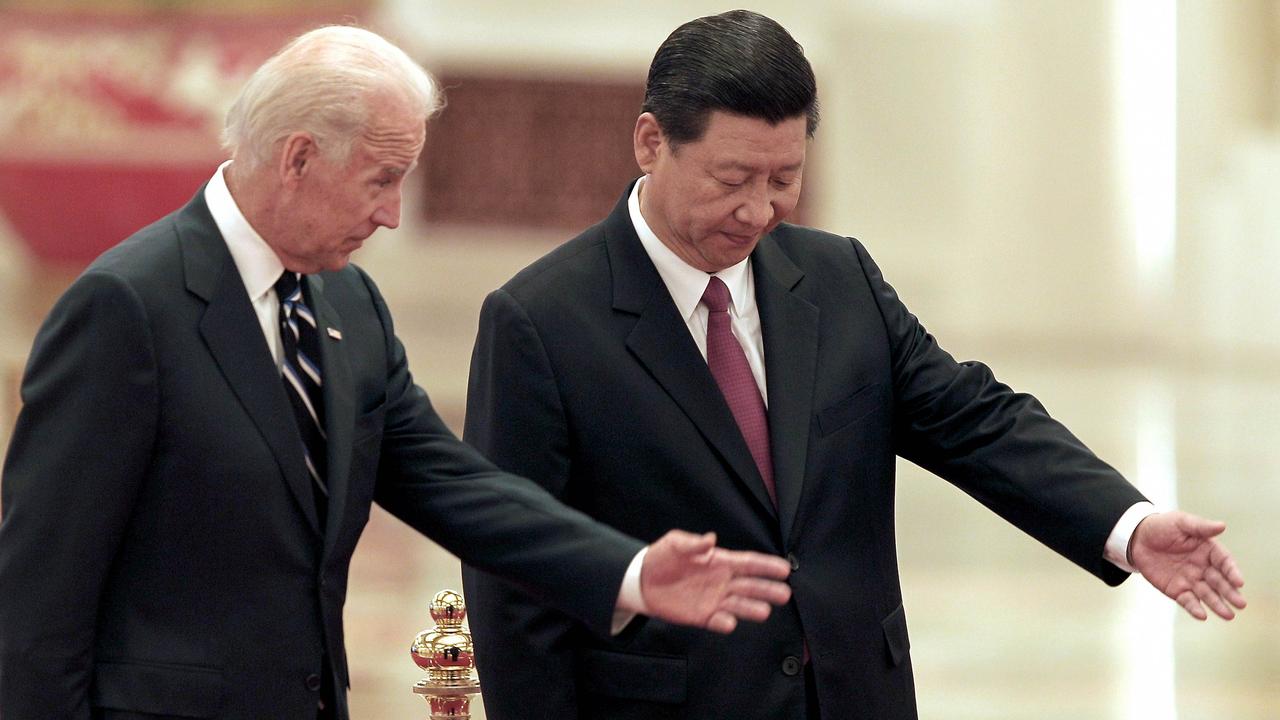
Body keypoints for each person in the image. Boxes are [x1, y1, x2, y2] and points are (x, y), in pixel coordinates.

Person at [460, 10, 1247, 720]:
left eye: (785, 179)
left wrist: (1129, 525)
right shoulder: (541, 322)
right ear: (650, 142)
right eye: (732, 180)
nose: (759, 211)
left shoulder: (839, 281)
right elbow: (515, 590)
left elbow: (974, 419)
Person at [0, 26, 798, 720]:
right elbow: (37, 602)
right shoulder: (127, 307)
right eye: (382, 179)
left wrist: (627, 571)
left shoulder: (349, 303)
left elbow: (454, 485)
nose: (391, 213)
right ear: (299, 159)